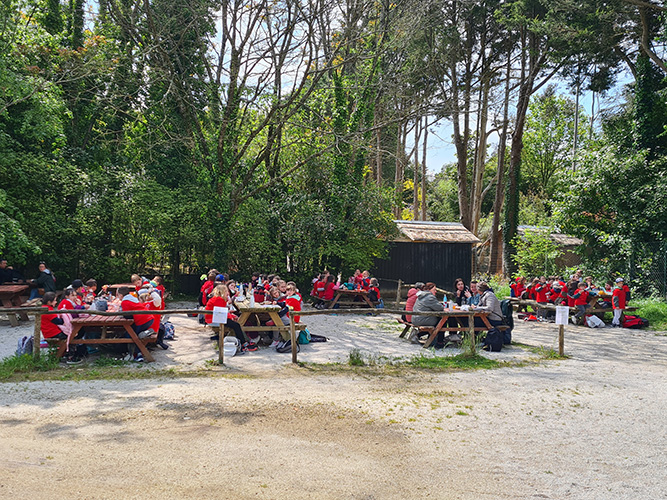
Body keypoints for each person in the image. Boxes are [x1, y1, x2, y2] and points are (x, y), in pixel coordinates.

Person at [205, 285, 256, 351]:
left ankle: (243, 341)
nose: (227, 292)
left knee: (235, 324)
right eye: (226, 291)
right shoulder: (219, 299)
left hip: (215, 317)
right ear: (222, 292)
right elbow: (223, 313)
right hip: (214, 319)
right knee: (236, 325)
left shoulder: (217, 298)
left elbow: (223, 312)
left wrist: (232, 316)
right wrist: (231, 317)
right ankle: (244, 343)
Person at [412, 282, 448, 348]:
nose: (436, 291)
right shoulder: (430, 297)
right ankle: (440, 342)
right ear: (429, 290)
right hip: (422, 320)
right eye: (434, 290)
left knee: (437, 322)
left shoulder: (421, 296)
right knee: (443, 320)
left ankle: (419, 335)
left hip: (415, 319)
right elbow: (440, 308)